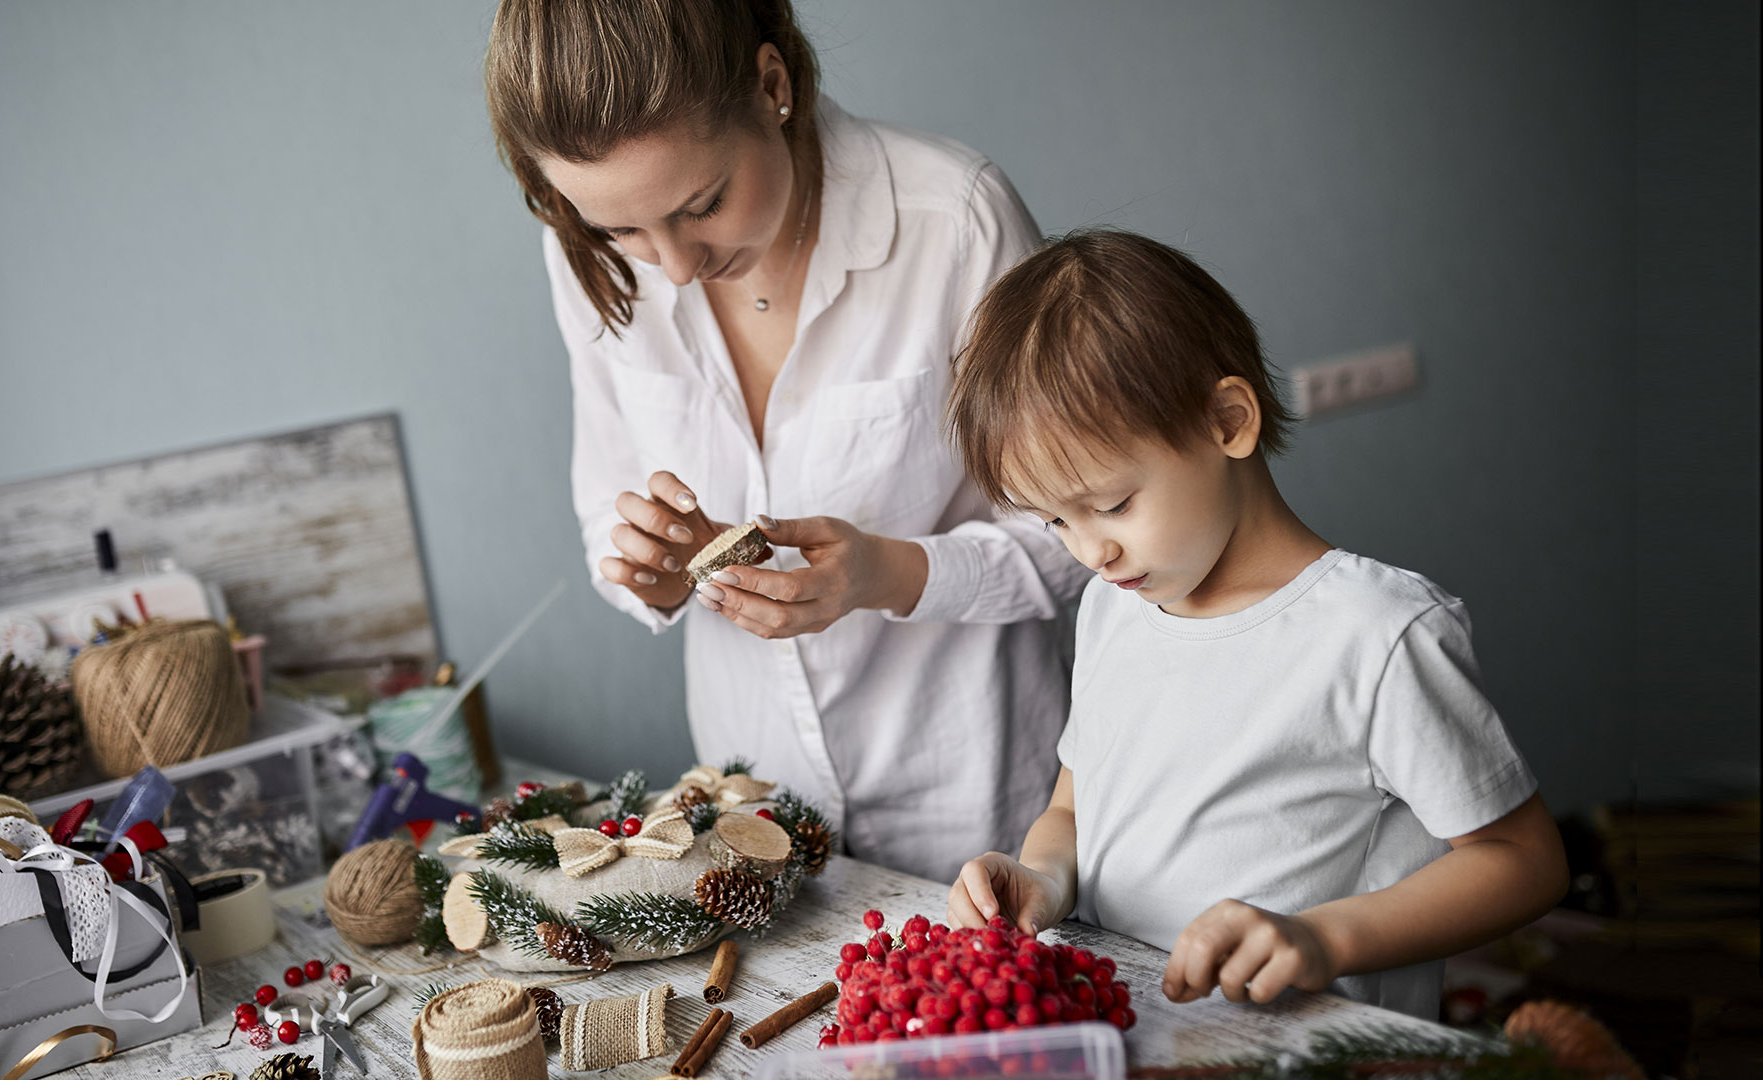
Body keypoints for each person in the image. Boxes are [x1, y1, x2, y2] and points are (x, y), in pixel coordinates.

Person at [484, 0, 1087, 881]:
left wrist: (888, 574)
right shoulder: (583, 252)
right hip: (751, 816)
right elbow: (599, 511)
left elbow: (1086, 534)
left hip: (979, 808)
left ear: (772, 86)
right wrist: (650, 572)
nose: (674, 268)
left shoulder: (952, 221)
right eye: (622, 229)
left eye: (703, 204)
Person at [941, 229, 1567, 1018]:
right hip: (1127, 1034)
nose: (1091, 551)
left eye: (1111, 505)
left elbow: (1526, 862)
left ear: (1229, 421)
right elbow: (1073, 807)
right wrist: (1043, 879)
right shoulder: (1114, 606)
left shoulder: (1378, 635)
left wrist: (1320, 939)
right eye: (1054, 523)